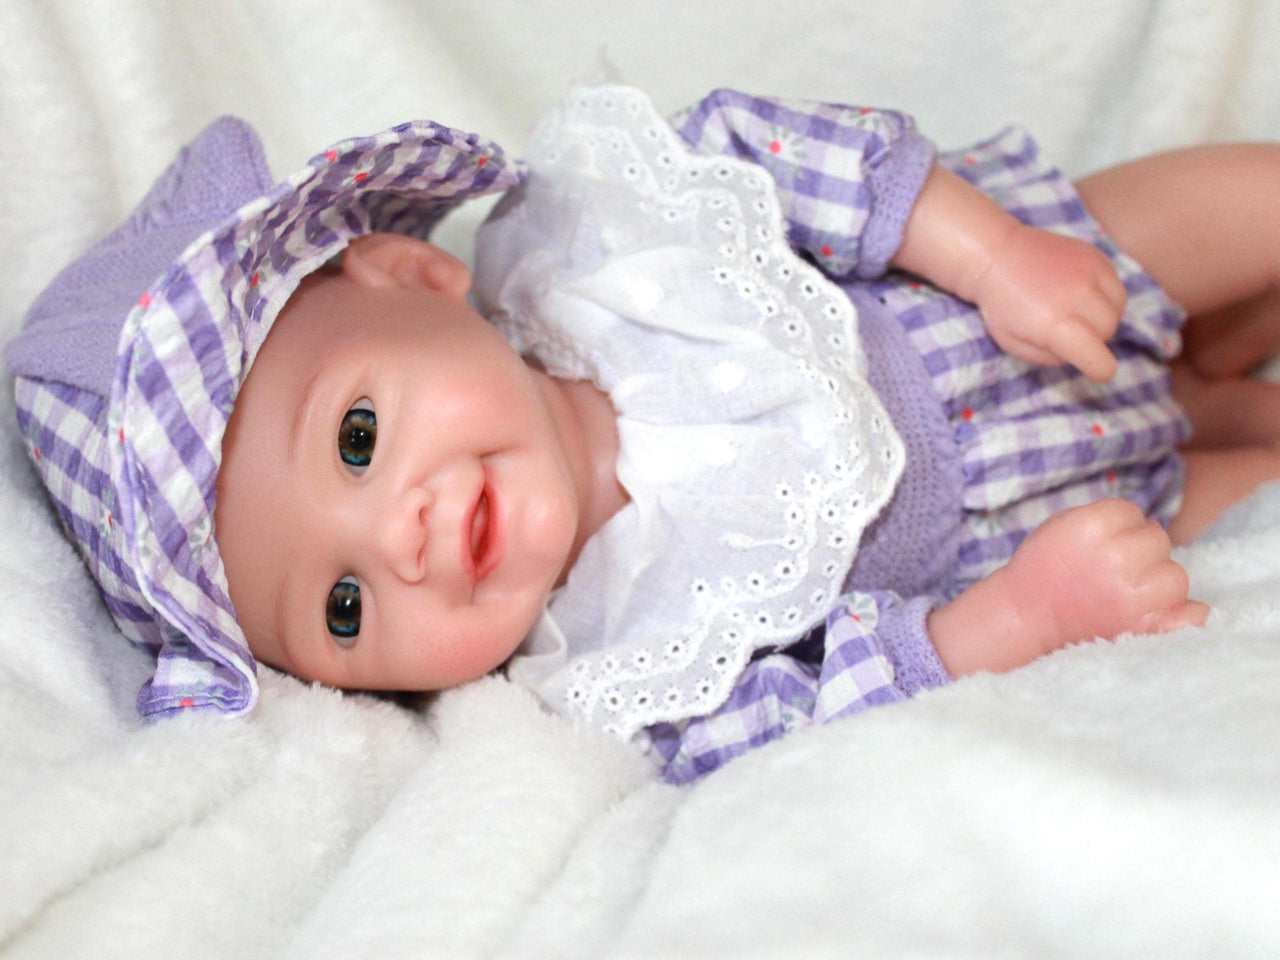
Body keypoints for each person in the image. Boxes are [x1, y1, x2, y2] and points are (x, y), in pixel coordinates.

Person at [8, 85, 1280, 783]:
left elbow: (790, 157)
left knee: (1220, 209)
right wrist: (1012, 619)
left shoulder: (598, 242)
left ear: (408, 276)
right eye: (341, 610)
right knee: (1243, 485)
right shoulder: (619, 665)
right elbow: (791, 724)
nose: (394, 537)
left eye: (353, 437)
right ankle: (1228, 405)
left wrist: (988, 249)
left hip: (1024, 296)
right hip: (1069, 512)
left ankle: (1211, 342)